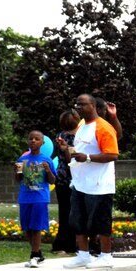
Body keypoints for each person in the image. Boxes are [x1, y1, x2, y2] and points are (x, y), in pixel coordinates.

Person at [62, 93, 120, 269]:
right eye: (77, 104)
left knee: (101, 221)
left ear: (93, 106)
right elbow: (79, 151)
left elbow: (113, 154)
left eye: (83, 104)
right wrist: (66, 149)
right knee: (77, 220)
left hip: (99, 185)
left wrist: (86, 157)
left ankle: (106, 255)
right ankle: (83, 255)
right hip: (80, 183)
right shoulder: (81, 125)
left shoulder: (103, 127)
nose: (78, 108)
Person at [16, 131, 57, 268]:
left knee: (36, 226)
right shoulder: (22, 160)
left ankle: (33, 255)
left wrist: (48, 171)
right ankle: (38, 253)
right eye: (31, 138)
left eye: (37, 139)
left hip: (40, 198)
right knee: (27, 227)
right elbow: (17, 179)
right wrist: (17, 171)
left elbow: (53, 180)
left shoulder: (46, 160)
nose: (33, 141)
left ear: (42, 143)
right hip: (25, 197)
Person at [51, 109, 80, 255]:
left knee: (64, 212)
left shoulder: (60, 135)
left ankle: (60, 243)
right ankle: (69, 244)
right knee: (72, 213)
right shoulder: (73, 138)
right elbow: (73, 158)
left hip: (61, 179)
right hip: (71, 178)